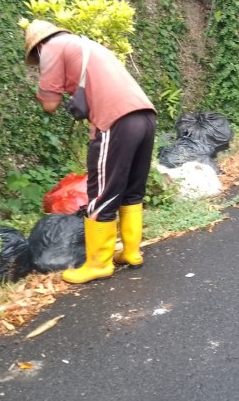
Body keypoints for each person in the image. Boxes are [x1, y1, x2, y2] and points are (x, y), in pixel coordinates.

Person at [23, 20, 157, 284]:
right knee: (132, 189)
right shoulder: (90, 46)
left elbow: (50, 103)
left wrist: (45, 90)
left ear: (37, 47)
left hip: (115, 121)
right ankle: (131, 252)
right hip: (145, 117)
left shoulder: (50, 48)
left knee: (102, 193)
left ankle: (98, 263)